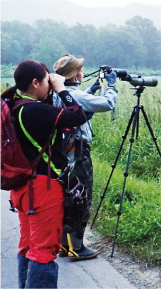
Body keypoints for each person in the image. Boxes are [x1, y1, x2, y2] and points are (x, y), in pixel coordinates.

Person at [2, 60, 87, 288]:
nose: (50, 86)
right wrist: (62, 89)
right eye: (46, 81)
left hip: (21, 188)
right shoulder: (34, 111)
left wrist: (51, 89)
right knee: (44, 252)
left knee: (28, 245)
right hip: (42, 190)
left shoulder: (11, 105)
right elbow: (78, 116)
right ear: (35, 82)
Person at [52, 54, 118, 261]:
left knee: (67, 197)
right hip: (78, 155)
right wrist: (111, 85)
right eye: (80, 69)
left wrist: (89, 91)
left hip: (63, 154)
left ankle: (64, 244)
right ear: (76, 75)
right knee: (81, 197)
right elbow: (108, 104)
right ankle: (77, 247)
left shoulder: (58, 94)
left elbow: (75, 109)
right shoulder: (74, 95)